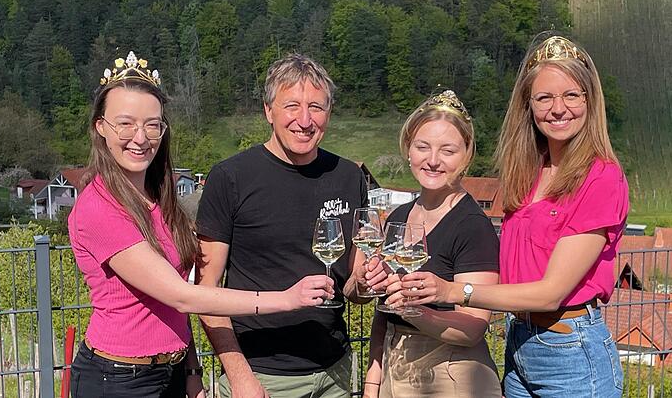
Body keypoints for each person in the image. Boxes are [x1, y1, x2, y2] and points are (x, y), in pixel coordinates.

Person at [68, 51, 335, 398]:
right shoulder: (99, 208)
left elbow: (171, 305)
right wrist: (285, 299)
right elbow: (181, 296)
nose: (140, 137)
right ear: (100, 127)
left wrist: (191, 370)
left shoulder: (156, 199)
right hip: (118, 379)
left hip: (171, 371)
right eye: (125, 123)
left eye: (152, 124)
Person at [391, 35, 628, 397]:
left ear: (590, 101)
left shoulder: (601, 177)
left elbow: (551, 294)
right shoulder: (531, 171)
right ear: (529, 105)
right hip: (521, 345)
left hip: (571, 352)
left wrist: (452, 289)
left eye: (571, 95)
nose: (558, 108)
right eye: (545, 97)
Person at [195, 53, 387, 398]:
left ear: (329, 113)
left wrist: (368, 282)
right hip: (262, 376)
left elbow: (352, 289)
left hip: (336, 374)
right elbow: (205, 291)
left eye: (316, 107)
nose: (304, 120)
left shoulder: (348, 177)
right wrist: (240, 378)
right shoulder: (230, 178)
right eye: (291, 106)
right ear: (268, 111)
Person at [364, 90, 502, 398]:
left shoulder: (472, 226)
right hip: (395, 366)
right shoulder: (399, 216)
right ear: (408, 149)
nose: (433, 161)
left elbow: (473, 327)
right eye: (422, 147)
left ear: (467, 155)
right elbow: (384, 311)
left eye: (448, 151)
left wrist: (414, 310)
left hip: (452, 375)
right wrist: (373, 381)